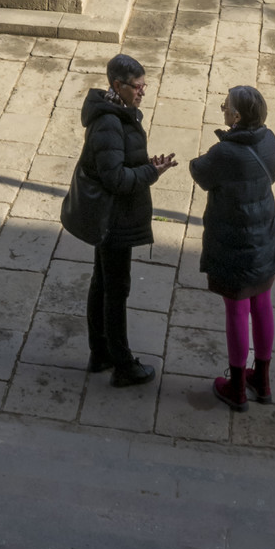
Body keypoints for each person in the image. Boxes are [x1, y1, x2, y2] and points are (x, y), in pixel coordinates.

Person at [60, 50, 176, 388]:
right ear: (117, 85)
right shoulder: (109, 124)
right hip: (114, 220)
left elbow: (120, 163)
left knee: (102, 282)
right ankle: (123, 364)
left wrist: (144, 164)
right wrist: (150, 173)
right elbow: (116, 180)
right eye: (137, 87)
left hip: (111, 218)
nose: (142, 92)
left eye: (144, 86)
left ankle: (101, 353)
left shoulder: (118, 112)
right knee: (115, 289)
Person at [190, 84, 275, 412]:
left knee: (236, 310)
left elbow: (199, 173)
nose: (222, 108)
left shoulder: (225, 153)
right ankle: (264, 380)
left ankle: (238, 387)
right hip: (264, 239)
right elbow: (273, 172)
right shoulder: (268, 139)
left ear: (237, 116)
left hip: (234, 242)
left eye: (225, 106)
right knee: (262, 303)